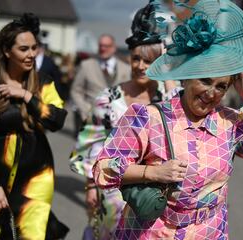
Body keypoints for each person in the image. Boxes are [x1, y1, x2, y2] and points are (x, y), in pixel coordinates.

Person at [92, 0, 243, 239]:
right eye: (205, 81)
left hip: (208, 232)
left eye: (221, 86)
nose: (211, 93)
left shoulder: (230, 123)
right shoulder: (147, 117)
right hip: (151, 232)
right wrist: (153, 173)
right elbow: (103, 169)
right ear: (187, 77)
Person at [69, 3, 177, 239]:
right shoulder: (108, 98)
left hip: (155, 191)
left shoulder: (168, 98)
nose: (141, 66)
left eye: (149, 61)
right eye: (136, 58)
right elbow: (93, 144)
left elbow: (181, 126)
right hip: (114, 188)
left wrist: (168, 77)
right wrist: (90, 187)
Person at [0, 13, 67, 239]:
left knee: (31, 233)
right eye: (24, 49)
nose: (31, 54)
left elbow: (57, 119)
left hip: (36, 178)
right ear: (7, 51)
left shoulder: (43, 82)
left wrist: (27, 96)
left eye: (34, 48)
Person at [70, 34, 131, 137]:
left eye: (106, 46)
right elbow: (75, 90)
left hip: (118, 124)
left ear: (113, 48)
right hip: (92, 123)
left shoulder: (126, 68)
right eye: (101, 46)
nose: (103, 49)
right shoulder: (86, 65)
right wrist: (85, 110)